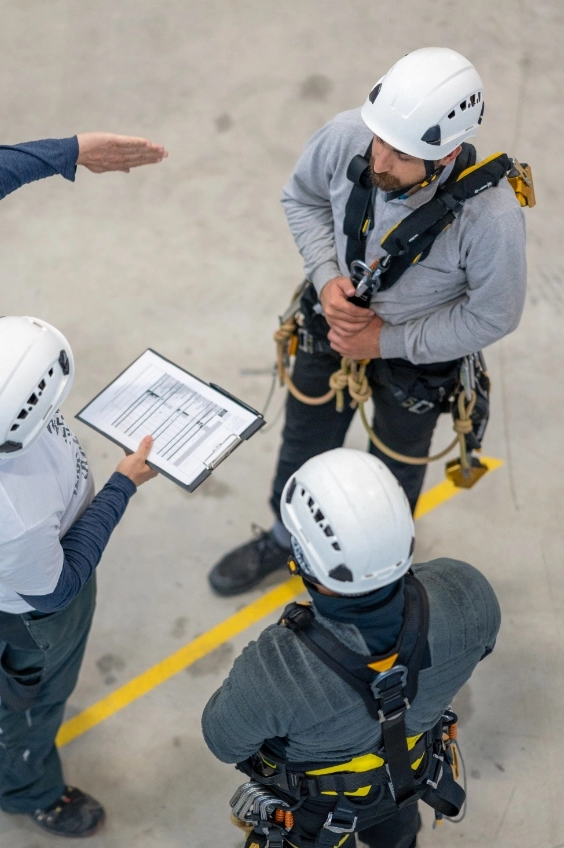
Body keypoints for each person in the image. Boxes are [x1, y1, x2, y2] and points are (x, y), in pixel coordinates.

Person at [0, 132, 167, 836]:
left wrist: (71, 151)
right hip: (27, 607)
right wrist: (121, 486)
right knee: (23, 699)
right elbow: (61, 583)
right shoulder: (13, 519)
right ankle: (20, 782)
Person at [208, 47, 527, 596]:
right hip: (329, 327)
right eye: (380, 139)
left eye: (402, 153)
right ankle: (288, 536)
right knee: (304, 442)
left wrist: (389, 340)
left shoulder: (490, 216)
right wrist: (326, 276)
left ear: (446, 154)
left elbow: (495, 313)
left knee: (394, 474)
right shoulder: (347, 136)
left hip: (415, 360)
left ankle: (377, 579)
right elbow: (302, 198)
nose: (379, 161)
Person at [202, 448, 500, 848]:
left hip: (326, 804)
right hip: (412, 764)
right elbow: (482, 650)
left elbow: (222, 739)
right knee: (398, 803)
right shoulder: (465, 591)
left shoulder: (277, 667)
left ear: (301, 559)